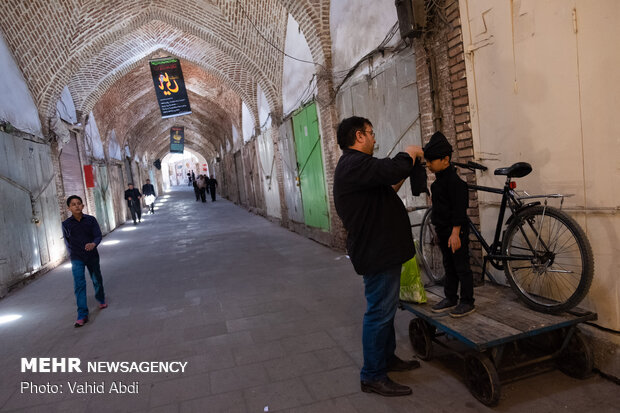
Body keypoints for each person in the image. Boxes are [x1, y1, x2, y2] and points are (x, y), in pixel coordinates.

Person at [333, 116, 424, 397]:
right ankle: (372, 375)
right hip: (377, 252)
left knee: (384, 310)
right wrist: (409, 153)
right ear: (359, 135)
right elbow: (390, 167)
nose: (374, 139)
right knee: (379, 314)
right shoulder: (354, 164)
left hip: (381, 250)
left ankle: (386, 359)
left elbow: (386, 187)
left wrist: (403, 173)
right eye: (371, 133)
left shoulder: (356, 169)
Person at [424, 131, 475, 317]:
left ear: (445, 159)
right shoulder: (437, 185)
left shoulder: (456, 183)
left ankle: (468, 301)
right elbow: (439, 211)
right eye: (427, 161)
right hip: (444, 232)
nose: (428, 165)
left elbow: (459, 211)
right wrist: (439, 232)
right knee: (449, 265)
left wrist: (455, 233)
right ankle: (451, 297)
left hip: (456, 233)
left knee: (461, 266)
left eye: (431, 161)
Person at [62, 195, 107, 327]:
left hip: (92, 255)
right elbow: (67, 242)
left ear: (83, 206)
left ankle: (101, 298)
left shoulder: (91, 220)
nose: (76, 206)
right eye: (73, 204)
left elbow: (98, 235)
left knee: (96, 278)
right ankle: (82, 314)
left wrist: (93, 244)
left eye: (78, 203)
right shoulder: (66, 224)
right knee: (79, 284)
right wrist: (73, 255)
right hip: (77, 258)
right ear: (69, 208)